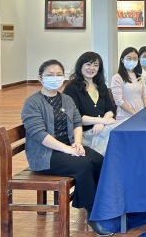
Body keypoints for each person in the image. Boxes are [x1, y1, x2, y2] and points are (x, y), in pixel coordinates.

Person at [21, 59, 112, 236]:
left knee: (99, 161)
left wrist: (77, 142)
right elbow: (39, 134)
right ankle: (93, 214)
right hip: (45, 154)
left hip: (68, 146)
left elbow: (77, 122)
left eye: (58, 75)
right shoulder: (32, 102)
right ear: (40, 78)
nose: (54, 78)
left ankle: (102, 206)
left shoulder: (66, 99)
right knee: (83, 165)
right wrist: (67, 149)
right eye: (50, 75)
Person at [63, 52, 117, 156]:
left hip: (102, 129)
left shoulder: (101, 85)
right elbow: (75, 118)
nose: (92, 68)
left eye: (96, 65)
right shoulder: (71, 88)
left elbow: (111, 109)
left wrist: (101, 123)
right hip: (84, 135)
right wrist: (102, 120)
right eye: (88, 64)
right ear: (80, 65)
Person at [110, 47, 146, 120]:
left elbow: (145, 95)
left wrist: (145, 110)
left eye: (135, 59)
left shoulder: (139, 76)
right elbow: (119, 101)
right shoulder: (117, 77)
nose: (132, 61)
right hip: (125, 116)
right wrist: (134, 113)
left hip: (141, 113)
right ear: (122, 60)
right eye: (129, 58)